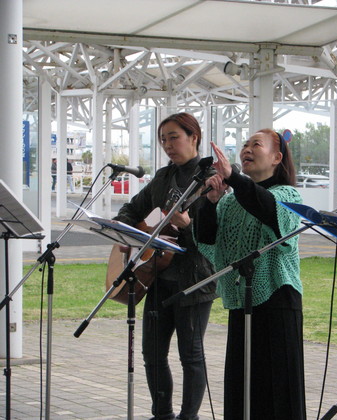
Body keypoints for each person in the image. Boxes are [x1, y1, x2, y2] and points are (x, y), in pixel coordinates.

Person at [194, 130, 306, 420]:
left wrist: (234, 179)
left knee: (278, 394)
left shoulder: (288, 194)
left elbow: (267, 209)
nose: (247, 149)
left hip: (277, 300)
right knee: (242, 389)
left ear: (276, 158)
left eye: (256, 144)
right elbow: (207, 240)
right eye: (244, 144)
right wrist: (211, 201)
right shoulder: (231, 201)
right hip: (242, 302)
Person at [114, 112, 217, 420]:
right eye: (163, 140)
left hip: (196, 278)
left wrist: (187, 227)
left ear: (194, 137)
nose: (168, 145)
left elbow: (217, 236)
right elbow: (131, 208)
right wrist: (126, 232)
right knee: (152, 354)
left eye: (174, 137)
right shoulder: (163, 177)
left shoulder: (213, 178)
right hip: (156, 275)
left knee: (191, 356)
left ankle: (189, 418)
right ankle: (162, 415)